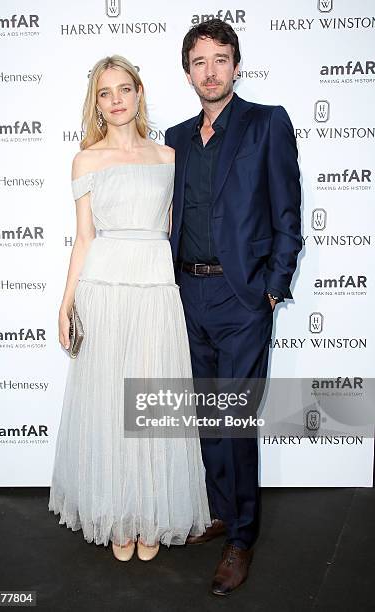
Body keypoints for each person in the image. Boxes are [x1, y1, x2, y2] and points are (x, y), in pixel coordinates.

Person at [48, 55, 211, 562]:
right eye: (105, 92)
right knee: (108, 405)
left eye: (124, 88)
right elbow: (83, 238)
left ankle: (150, 515)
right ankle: (118, 514)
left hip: (156, 288)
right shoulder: (86, 160)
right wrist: (66, 301)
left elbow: (175, 225)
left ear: (139, 93)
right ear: (96, 104)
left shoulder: (168, 156)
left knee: (151, 404)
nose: (116, 99)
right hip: (104, 288)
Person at [165, 19, 302, 595]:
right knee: (207, 419)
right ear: (188, 71)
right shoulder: (171, 139)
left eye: (221, 59)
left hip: (242, 297)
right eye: (200, 61)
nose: (211, 71)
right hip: (185, 295)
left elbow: (288, 216)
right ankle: (221, 512)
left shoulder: (266, 123)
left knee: (234, 421)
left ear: (237, 65)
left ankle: (242, 537)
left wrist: (271, 289)